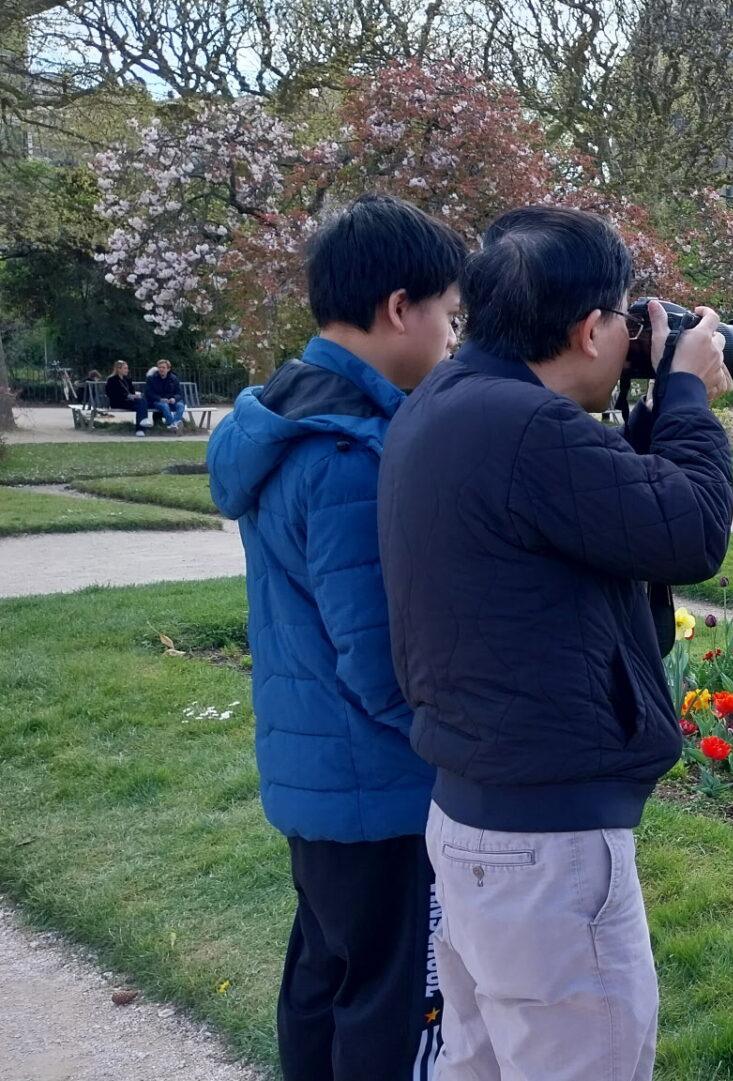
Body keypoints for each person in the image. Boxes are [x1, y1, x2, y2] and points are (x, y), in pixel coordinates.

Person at [381, 205, 733, 1081]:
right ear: (588, 329)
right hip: (546, 850)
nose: (632, 334)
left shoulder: (450, 403)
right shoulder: (524, 428)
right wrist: (686, 391)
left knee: (483, 1065)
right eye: (624, 317)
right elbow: (688, 529)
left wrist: (652, 408)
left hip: (476, 815)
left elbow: (608, 510)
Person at [206, 195, 465, 1081]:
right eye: (449, 316)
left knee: (323, 975)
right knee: (386, 1001)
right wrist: (454, 742)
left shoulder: (283, 419)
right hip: (379, 786)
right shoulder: (349, 454)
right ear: (401, 309)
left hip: (316, 780)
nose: (451, 338)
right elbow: (381, 655)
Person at [104, 359, 152, 434]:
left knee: (141, 401)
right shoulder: (112, 380)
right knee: (141, 404)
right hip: (118, 402)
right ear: (119, 369)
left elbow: (131, 391)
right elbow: (111, 394)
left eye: (127, 368)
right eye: (125, 368)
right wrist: (128, 396)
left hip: (129, 401)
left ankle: (141, 427)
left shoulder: (127, 379)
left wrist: (134, 396)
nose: (127, 370)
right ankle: (140, 428)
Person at [147, 358, 186, 430]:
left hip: (172, 400)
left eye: (163, 367)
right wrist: (160, 399)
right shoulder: (151, 379)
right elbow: (149, 393)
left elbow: (179, 394)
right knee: (164, 406)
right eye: (159, 367)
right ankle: (172, 424)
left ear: (168, 369)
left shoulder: (174, 379)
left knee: (180, 405)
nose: (161, 369)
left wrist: (174, 398)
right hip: (158, 401)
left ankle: (173, 424)